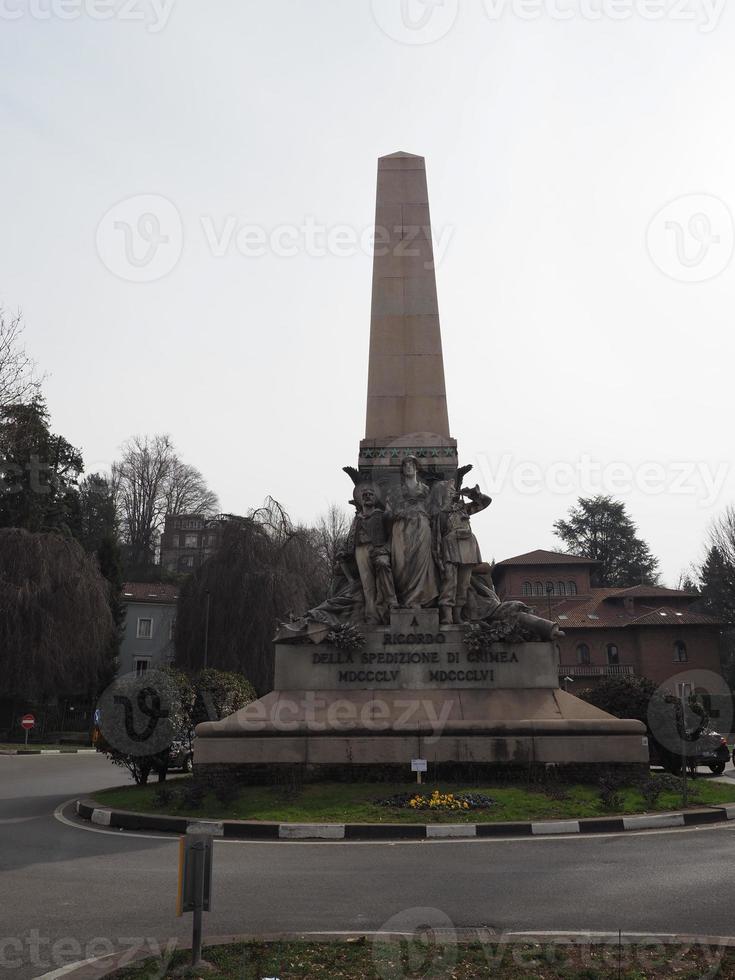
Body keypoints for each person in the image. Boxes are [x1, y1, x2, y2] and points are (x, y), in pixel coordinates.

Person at [385, 456, 438, 608]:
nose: (408, 467)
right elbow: (387, 513)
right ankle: (403, 597)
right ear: (402, 469)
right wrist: (397, 513)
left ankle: (418, 599)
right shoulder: (394, 491)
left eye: (412, 464)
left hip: (421, 526)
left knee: (422, 561)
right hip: (400, 527)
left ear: (416, 468)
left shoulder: (426, 490)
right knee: (400, 562)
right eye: (405, 465)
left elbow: (433, 512)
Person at [436, 485, 491, 624]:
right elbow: (436, 536)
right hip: (450, 547)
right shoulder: (441, 513)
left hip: (467, 547)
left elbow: (486, 502)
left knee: (464, 583)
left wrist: (472, 494)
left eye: (453, 491)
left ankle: (457, 614)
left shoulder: (464, 509)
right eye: (448, 492)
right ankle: (447, 614)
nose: (452, 494)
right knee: (450, 581)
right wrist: (437, 555)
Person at [344, 486, 397, 625]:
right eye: (364, 495)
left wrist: (387, 547)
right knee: (367, 585)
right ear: (360, 500)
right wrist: (346, 551)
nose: (367, 496)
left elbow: (392, 532)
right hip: (360, 550)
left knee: (383, 572)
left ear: (375, 499)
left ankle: (388, 607)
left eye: (370, 494)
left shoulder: (380, 514)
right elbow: (350, 537)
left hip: (378, 549)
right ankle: (371, 617)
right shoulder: (357, 518)